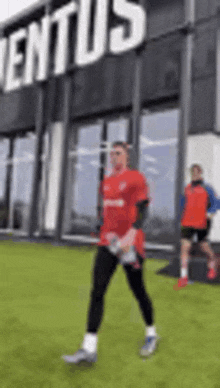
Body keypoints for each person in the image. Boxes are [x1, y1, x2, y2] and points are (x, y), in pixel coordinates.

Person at [62, 141, 159, 364]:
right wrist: (100, 226)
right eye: (111, 154)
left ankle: (151, 333)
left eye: (118, 153)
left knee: (138, 291)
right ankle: (88, 349)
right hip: (108, 244)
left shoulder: (136, 178)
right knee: (97, 291)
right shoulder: (105, 182)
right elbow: (108, 211)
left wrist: (131, 236)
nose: (113, 157)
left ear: (126, 157)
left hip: (130, 245)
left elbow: (143, 209)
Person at [176, 164, 218, 289]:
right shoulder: (186, 189)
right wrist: (180, 219)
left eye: (197, 172)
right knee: (185, 247)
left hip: (202, 222)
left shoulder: (207, 188)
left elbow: (216, 203)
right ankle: (183, 277)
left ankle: (212, 264)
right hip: (187, 222)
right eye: (192, 173)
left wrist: (210, 213)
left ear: (201, 173)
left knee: (203, 246)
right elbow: (181, 205)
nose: (194, 175)